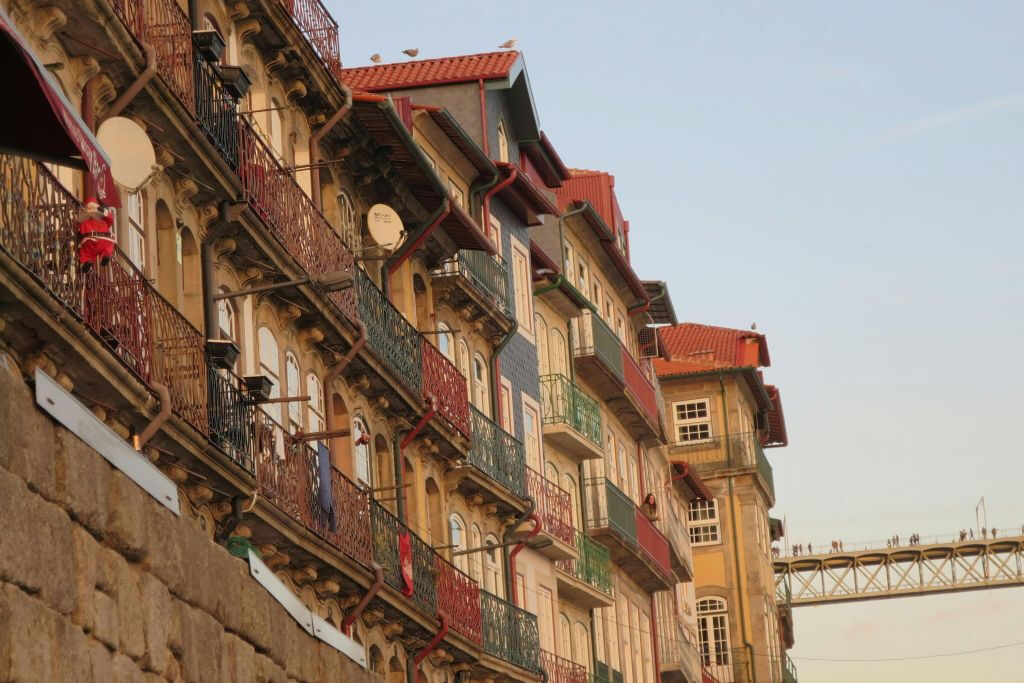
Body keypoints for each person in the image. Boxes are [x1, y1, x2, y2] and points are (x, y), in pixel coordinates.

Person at [76, 198, 115, 273]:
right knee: (86, 251)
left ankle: (104, 257)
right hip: (92, 240)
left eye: (93, 208)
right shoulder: (84, 221)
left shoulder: (102, 220)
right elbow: (77, 227)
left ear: (98, 210)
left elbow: (111, 218)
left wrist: (103, 211)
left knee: (108, 246)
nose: (91, 210)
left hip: (99, 239)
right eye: (89, 208)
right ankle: (86, 264)